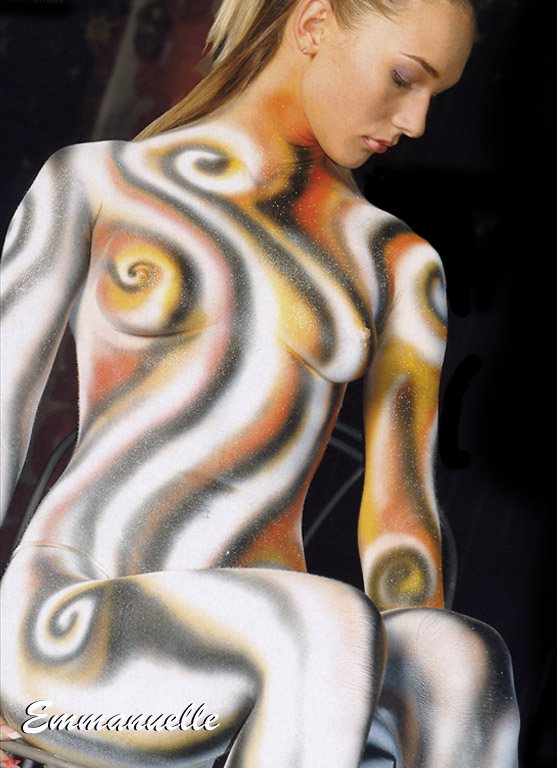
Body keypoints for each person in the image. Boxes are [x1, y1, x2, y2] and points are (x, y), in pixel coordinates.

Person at [0, 1, 520, 766]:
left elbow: (400, 523)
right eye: (404, 78)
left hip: (285, 655)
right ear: (313, 24)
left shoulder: (399, 264)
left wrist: (414, 663)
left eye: (434, 95)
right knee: (324, 626)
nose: (415, 122)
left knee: (461, 660)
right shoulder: (98, 182)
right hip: (69, 638)